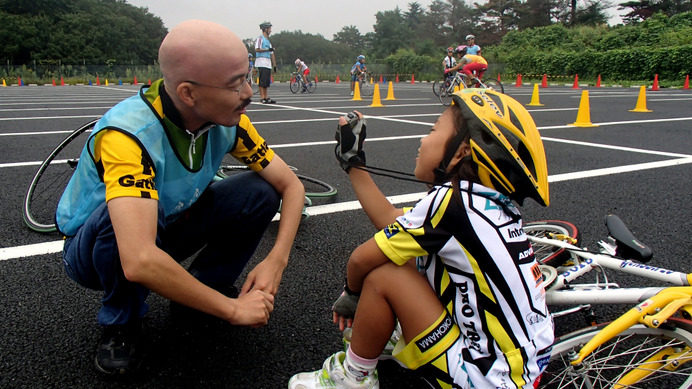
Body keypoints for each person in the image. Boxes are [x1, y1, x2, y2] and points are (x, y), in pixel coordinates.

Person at [56, 20, 305, 376]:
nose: (249, 92)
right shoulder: (128, 136)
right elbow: (139, 259)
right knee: (125, 216)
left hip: (165, 225)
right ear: (188, 93)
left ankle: (205, 292)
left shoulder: (229, 121)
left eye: (247, 77)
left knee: (260, 191)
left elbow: (291, 187)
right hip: (98, 249)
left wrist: (275, 261)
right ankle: (121, 321)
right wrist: (234, 311)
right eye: (236, 84)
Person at [289, 89, 554, 389]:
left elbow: (361, 258)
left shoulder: (450, 203)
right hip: (523, 369)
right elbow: (390, 219)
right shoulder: (482, 203)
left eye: (432, 131)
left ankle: (354, 378)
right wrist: (354, 162)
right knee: (411, 255)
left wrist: (352, 294)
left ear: (460, 152)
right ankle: (384, 335)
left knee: (385, 273)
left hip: (485, 378)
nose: (422, 139)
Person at [254, 21, 277, 104]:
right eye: (270, 29)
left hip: (267, 63)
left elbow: (272, 54)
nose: (270, 31)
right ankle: (262, 97)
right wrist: (268, 49)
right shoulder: (260, 39)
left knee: (267, 81)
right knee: (262, 81)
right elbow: (257, 49)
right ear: (265, 29)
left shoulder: (268, 41)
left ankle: (266, 97)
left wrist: (274, 66)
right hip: (261, 62)